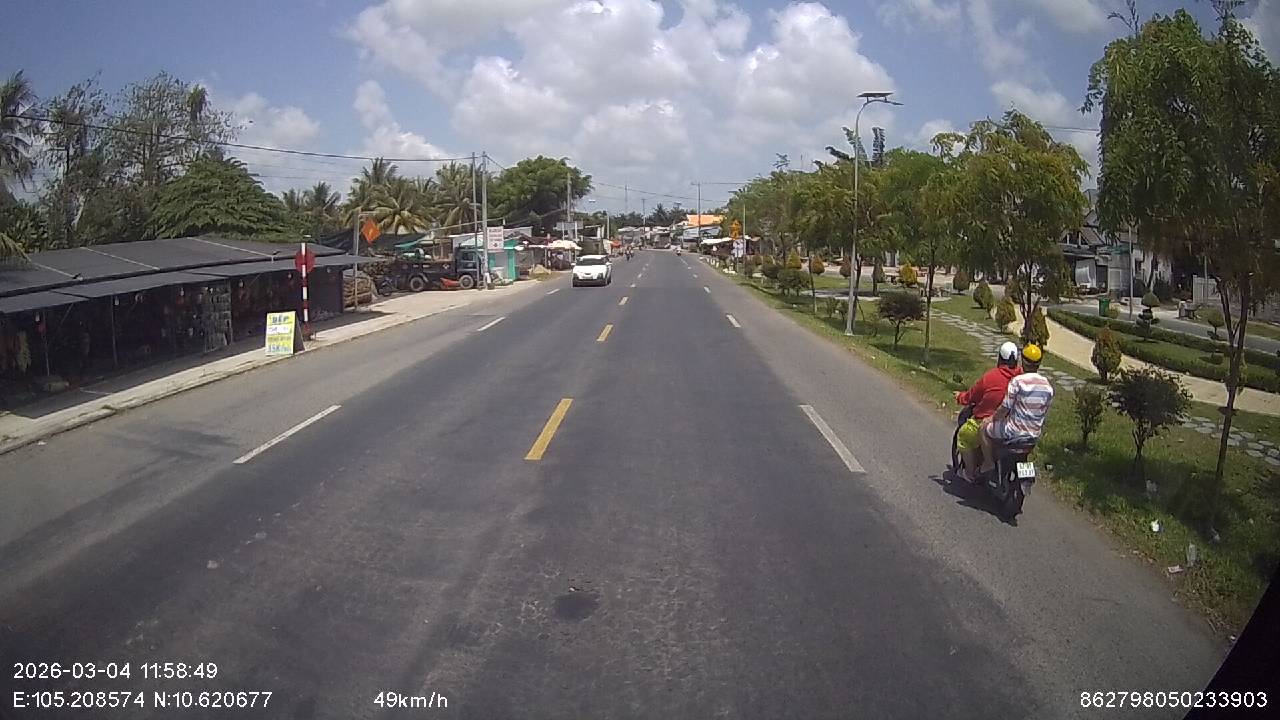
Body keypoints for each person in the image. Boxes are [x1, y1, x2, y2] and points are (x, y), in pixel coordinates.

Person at [978, 344, 1054, 477]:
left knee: (984, 429)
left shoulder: (1018, 381)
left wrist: (991, 419)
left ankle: (989, 463)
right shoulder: (1047, 386)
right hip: (1033, 435)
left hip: (1013, 432)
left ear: (1022, 361)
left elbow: (1004, 408)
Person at [954, 341, 1021, 480]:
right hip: (1014, 425)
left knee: (964, 436)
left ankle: (970, 473)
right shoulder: (1021, 377)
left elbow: (971, 396)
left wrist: (960, 397)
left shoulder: (990, 377)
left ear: (999, 358)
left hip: (989, 422)